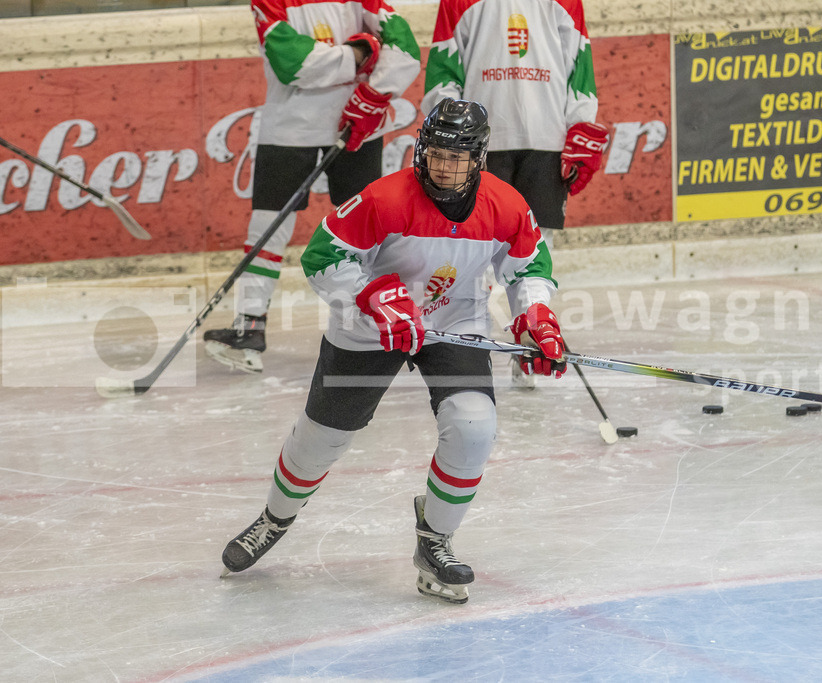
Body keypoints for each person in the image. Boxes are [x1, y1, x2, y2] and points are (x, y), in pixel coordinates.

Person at [219, 98, 567, 604]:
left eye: (457, 158)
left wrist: (535, 317)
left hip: (452, 323)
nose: (444, 167)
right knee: (322, 438)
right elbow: (322, 256)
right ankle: (274, 518)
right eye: (436, 154)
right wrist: (371, 296)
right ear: (422, 150)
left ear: (478, 158)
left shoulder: (507, 205)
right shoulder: (384, 199)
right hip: (369, 326)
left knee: (474, 426)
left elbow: (529, 267)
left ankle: (435, 541)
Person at [203, 0, 421, 374]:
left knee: (370, 232)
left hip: (354, 122)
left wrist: (374, 94)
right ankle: (250, 326)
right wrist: (361, 53)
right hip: (293, 128)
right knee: (267, 228)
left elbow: (405, 51)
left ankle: (384, 320)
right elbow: (292, 63)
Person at [420, 0, 609, 388]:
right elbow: (443, 65)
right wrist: (449, 131)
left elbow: (579, 63)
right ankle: (465, 342)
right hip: (478, 141)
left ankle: (530, 336)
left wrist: (581, 124)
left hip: (547, 137)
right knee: (472, 247)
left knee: (537, 246)